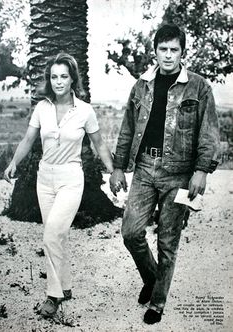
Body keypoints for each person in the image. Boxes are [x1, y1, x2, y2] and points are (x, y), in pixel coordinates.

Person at [109, 24, 220, 325]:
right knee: (131, 233)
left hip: (179, 175)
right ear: (154, 51)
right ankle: (153, 277)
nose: (168, 56)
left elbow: (208, 134)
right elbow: (127, 129)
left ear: (183, 53)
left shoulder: (199, 87)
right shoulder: (141, 86)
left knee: (168, 242)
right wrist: (118, 166)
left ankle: (157, 303)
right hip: (145, 168)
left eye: (174, 50)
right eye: (163, 49)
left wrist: (201, 171)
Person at [4, 52, 114, 318]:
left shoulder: (85, 110)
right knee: (58, 235)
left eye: (64, 76)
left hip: (71, 179)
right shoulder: (42, 108)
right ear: (48, 80)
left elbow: (99, 144)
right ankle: (65, 286)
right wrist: (13, 163)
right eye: (54, 77)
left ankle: (53, 296)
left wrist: (114, 172)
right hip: (45, 178)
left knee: (52, 233)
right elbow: (28, 140)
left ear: (73, 78)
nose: (59, 81)